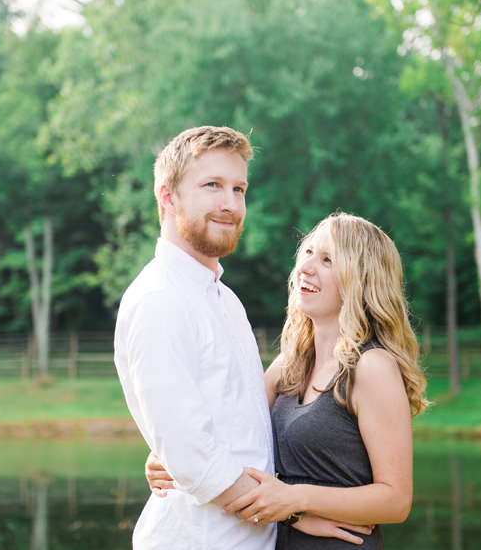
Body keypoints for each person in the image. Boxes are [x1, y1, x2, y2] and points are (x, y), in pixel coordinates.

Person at [114, 127, 374, 550]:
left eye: (239, 189)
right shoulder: (160, 300)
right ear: (168, 196)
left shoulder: (224, 299)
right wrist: (293, 511)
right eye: (212, 185)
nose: (230, 204)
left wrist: (172, 455)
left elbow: (241, 419)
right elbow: (195, 457)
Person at [147, 212, 429, 549]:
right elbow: (230, 429)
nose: (306, 267)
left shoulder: (372, 366)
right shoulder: (289, 366)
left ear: (362, 280)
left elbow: (396, 500)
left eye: (328, 260)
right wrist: (173, 454)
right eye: (308, 253)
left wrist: (296, 498)